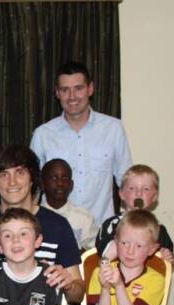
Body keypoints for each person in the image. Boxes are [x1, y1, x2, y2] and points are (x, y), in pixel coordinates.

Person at [0, 145, 84, 303]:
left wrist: (69, 285)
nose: (12, 182)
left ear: (32, 178)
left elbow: (78, 296)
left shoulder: (57, 225)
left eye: (20, 172)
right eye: (4, 174)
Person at [30, 61, 133, 225]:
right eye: (65, 90)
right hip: (53, 230)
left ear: (90, 89)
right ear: (57, 93)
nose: (72, 97)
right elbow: (32, 188)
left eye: (78, 88)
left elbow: (127, 182)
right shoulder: (43, 134)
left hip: (100, 233)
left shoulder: (113, 128)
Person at [95, 164, 174, 263]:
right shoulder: (112, 224)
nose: (139, 193)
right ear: (121, 194)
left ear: (154, 196)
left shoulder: (158, 229)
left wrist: (166, 254)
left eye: (146, 189)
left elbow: (166, 256)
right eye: (132, 188)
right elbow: (102, 249)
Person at [40, 158, 99, 250]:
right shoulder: (33, 217)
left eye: (65, 178)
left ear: (71, 185)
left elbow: (91, 254)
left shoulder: (84, 218)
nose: (60, 183)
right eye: (53, 178)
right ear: (42, 184)